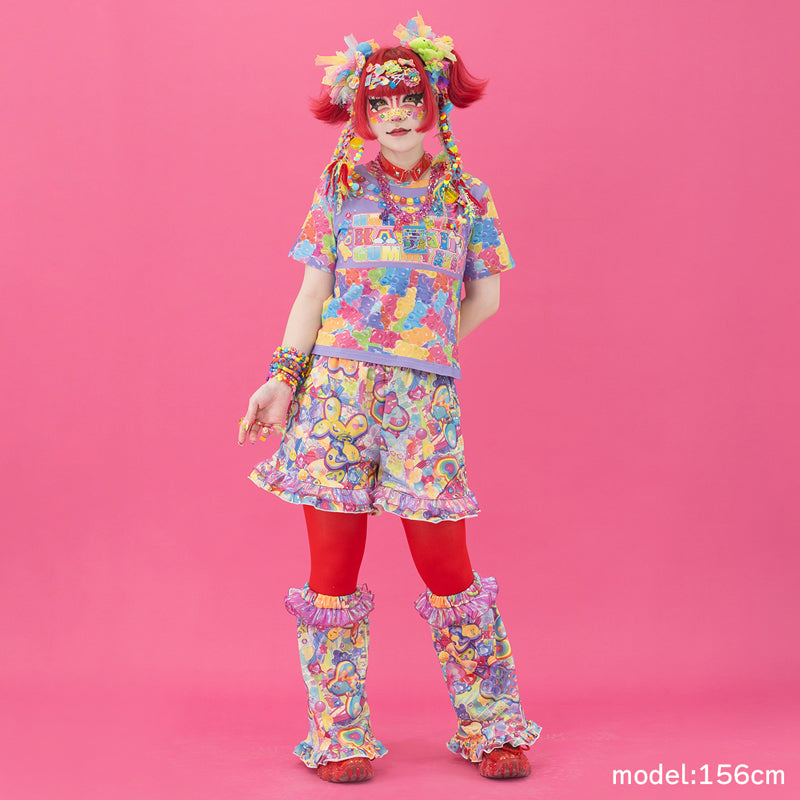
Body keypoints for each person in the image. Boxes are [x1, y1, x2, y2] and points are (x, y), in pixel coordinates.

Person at [238, 14, 541, 783]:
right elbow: (312, 295)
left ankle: (491, 724)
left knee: (448, 566)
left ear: (434, 102)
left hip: (422, 406)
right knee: (331, 571)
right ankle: (338, 733)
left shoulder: (467, 198)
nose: (397, 114)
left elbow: (487, 299)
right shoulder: (340, 188)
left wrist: (424, 352)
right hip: (334, 401)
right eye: (381, 103)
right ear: (362, 112)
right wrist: (283, 378)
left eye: (411, 99)